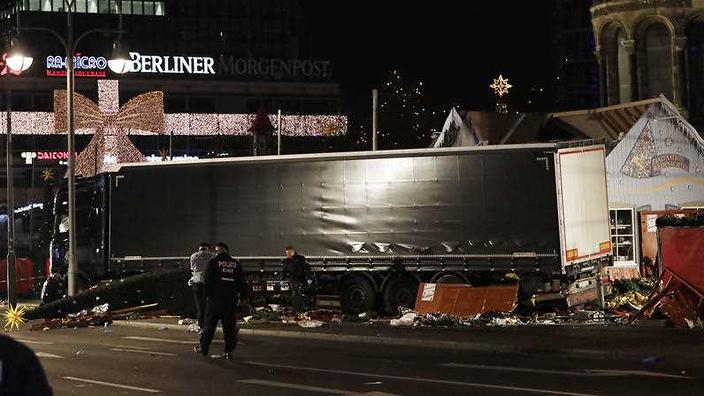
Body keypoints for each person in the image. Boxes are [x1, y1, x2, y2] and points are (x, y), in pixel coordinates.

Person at [195, 242, 247, 361]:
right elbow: (242, 282)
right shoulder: (236, 264)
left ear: (218, 251)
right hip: (230, 300)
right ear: (227, 251)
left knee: (209, 325)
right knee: (229, 327)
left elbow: (207, 280)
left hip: (215, 300)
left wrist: (207, 295)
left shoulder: (213, 262)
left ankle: (203, 348)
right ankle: (228, 351)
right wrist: (243, 296)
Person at [188, 242, 215, 330]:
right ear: (207, 248)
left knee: (200, 305)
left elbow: (192, 268)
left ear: (199, 248)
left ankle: (201, 324)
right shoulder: (212, 256)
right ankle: (209, 323)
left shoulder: (193, 256)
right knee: (210, 304)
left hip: (197, 283)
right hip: (209, 283)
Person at [282, 245, 313, 313]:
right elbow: (284, 270)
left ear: (292, 251)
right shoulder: (287, 260)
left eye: (288, 253)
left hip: (301, 280)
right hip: (293, 281)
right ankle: (296, 310)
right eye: (286, 253)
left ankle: (303, 310)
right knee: (294, 296)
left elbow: (307, 268)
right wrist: (282, 278)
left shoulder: (301, 258)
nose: (287, 255)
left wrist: (309, 278)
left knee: (302, 296)